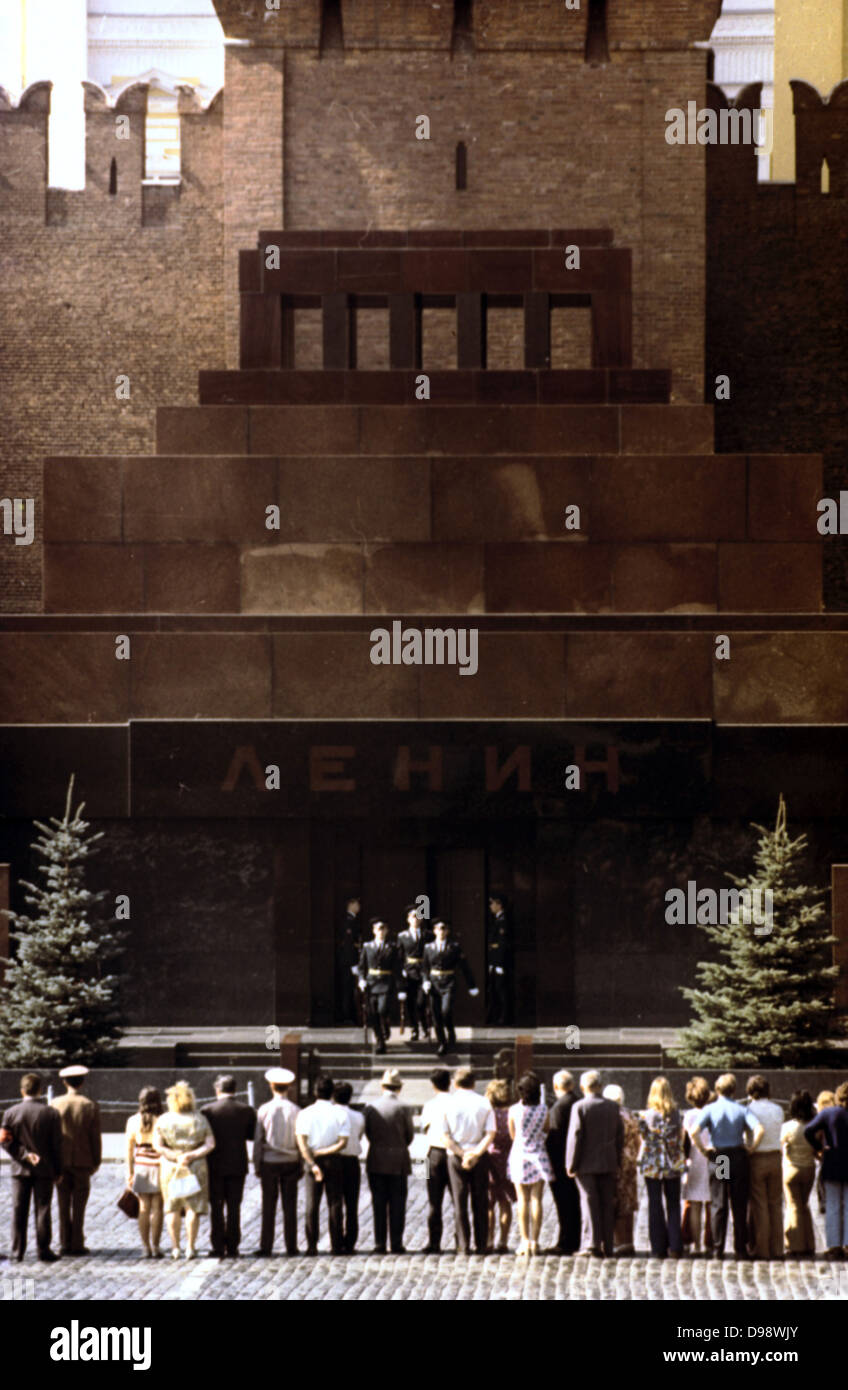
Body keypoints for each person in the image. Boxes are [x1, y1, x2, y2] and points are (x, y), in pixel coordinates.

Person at [692, 1073, 763, 1260]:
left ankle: (717, 1248)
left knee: (719, 1202)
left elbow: (694, 1131)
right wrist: (752, 1148)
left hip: (720, 1157)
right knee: (739, 1204)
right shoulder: (741, 1109)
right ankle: (740, 1248)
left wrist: (704, 1150)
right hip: (738, 1156)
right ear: (734, 1090)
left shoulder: (710, 1109)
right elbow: (759, 1129)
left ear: (717, 1090)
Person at [1, 1073, 63, 1262]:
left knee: (19, 1209)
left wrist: (24, 1155)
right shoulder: (51, 1113)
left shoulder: (11, 1113)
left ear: (22, 1091)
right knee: (43, 1209)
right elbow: (57, 1145)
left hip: (20, 1169)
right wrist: (58, 1170)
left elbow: (4, 1141)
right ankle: (43, 1249)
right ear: (40, 1091)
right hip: (44, 1169)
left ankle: (17, 1250)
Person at [152, 1081, 215, 1261]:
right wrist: (192, 1155)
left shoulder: (164, 1120)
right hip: (195, 1165)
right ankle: (191, 1247)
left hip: (171, 1166)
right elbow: (210, 1143)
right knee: (192, 1207)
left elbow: (157, 1145)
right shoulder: (199, 1118)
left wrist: (175, 1155)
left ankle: (175, 1247)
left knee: (172, 1207)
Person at [565, 1070, 623, 1257]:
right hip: (608, 1162)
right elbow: (619, 1137)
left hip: (586, 1164)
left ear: (583, 1087)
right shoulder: (613, 1107)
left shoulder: (580, 1107)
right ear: (600, 1086)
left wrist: (570, 1164)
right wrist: (617, 1159)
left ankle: (591, 1244)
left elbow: (575, 1136)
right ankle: (608, 1244)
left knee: (589, 1203)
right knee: (607, 1204)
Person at [201, 1074, 256, 1259]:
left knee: (216, 1207)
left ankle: (217, 1245)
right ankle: (233, 1245)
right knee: (234, 1207)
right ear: (235, 1089)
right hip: (237, 1165)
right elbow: (251, 1135)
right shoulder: (246, 1110)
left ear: (217, 1089)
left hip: (214, 1166)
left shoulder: (207, 1110)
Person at [441, 1066, 496, 1254]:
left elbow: (444, 1135)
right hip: (478, 1155)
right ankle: (481, 1244)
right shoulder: (484, 1103)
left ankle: (463, 1245)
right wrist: (475, 1153)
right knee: (480, 1200)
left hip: (457, 1155)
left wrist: (462, 1154)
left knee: (460, 1201)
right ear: (474, 1083)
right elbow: (490, 1133)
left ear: (455, 1084)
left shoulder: (448, 1104)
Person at [296, 1073, 349, 1255]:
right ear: (332, 1092)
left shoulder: (305, 1113)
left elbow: (301, 1142)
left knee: (312, 1204)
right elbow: (343, 1142)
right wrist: (325, 1151)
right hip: (334, 1159)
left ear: (314, 1091)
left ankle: (312, 1244)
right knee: (335, 1203)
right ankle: (336, 1243)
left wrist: (312, 1163)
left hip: (313, 1159)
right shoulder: (340, 1113)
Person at [51, 1064, 101, 1257]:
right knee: (79, 1205)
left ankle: (64, 1242)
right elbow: (94, 1137)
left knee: (63, 1203)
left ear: (64, 1082)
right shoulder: (89, 1105)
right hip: (83, 1160)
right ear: (82, 1083)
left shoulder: (55, 1104)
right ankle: (77, 1242)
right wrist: (96, 1160)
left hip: (61, 1162)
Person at [364, 1068, 414, 1254]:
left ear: (382, 1086)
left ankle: (379, 1242)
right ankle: (396, 1242)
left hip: (377, 1158)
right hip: (398, 1160)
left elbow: (368, 1133)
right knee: (398, 1203)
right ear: (399, 1087)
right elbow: (409, 1135)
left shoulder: (371, 1107)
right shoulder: (403, 1107)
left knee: (378, 1202)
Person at [636, 1076, 686, 1259]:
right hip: (673, 1164)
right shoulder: (676, 1113)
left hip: (653, 1165)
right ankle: (675, 1245)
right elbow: (680, 1137)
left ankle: (658, 1247)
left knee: (655, 1204)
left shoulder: (646, 1116)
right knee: (674, 1205)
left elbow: (642, 1138)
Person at [254, 1067, 301, 1256]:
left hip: (270, 1160)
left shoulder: (264, 1110)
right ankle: (292, 1245)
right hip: (291, 1159)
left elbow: (259, 1140)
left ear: (271, 1086)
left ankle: (266, 1245)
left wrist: (257, 1163)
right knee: (290, 1205)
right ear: (288, 1087)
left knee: (268, 1205)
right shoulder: (296, 1110)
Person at [508, 1072, 552, 1257]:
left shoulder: (515, 1110)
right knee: (536, 1199)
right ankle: (535, 1240)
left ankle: (524, 1239)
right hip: (539, 1154)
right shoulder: (543, 1109)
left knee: (522, 1200)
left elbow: (512, 1134)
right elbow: (546, 1129)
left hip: (520, 1155)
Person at [804, 1080, 848, 1259]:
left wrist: (819, 1148)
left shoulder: (829, 1113)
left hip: (832, 1162)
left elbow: (808, 1130)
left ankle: (833, 1245)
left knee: (832, 1205)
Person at [422, 919, 479, 1057]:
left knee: (445, 1011)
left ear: (447, 931)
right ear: (434, 931)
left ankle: (450, 1030)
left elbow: (464, 967)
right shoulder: (428, 948)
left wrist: (471, 985)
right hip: (434, 983)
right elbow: (425, 968)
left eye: (444, 929)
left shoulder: (454, 947)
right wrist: (425, 981)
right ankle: (442, 1042)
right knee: (436, 1015)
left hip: (448, 982)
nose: (441, 932)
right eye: (438, 929)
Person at [745, 1074, 785, 1261]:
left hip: (757, 1157)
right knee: (775, 1204)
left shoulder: (749, 1110)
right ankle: (778, 1248)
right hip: (776, 1157)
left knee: (759, 1205)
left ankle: (762, 1248)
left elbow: (748, 1134)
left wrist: (751, 1147)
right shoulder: (778, 1109)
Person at [125, 1086, 164, 1258]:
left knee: (143, 1207)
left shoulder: (133, 1121)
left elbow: (128, 1150)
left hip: (141, 1165)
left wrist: (129, 1172)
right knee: (157, 1208)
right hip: (160, 1165)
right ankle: (156, 1246)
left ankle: (145, 1246)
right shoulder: (163, 1120)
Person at [546, 1069, 581, 1255]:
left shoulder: (559, 1107)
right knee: (573, 1203)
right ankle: (572, 1239)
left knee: (564, 1204)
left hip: (561, 1163)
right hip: (575, 1161)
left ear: (555, 1086)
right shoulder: (576, 1101)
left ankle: (566, 1241)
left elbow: (555, 1137)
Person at [603, 1083, 639, 1255]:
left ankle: (618, 1241)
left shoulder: (610, 1116)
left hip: (616, 1162)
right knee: (628, 1202)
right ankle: (628, 1240)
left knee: (615, 1200)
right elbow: (638, 1140)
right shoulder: (630, 1114)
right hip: (630, 1163)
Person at [357, 917, 401, 1055]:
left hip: (386, 982)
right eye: (378, 929)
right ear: (374, 931)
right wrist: (361, 979)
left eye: (383, 929)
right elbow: (361, 966)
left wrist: (401, 988)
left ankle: (386, 1024)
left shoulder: (392, 947)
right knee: (372, 1014)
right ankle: (380, 1041)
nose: (381, 931)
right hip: (371, 983)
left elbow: (397, 967)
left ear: (387, 931)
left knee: (382, 1009)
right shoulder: (367, 946)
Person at [780, 1090, 816, 1257]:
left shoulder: (787, 1127)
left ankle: (795, 1245)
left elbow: (781, 1147)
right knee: (804, 1205)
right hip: (809, 1168)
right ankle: (809, 1243)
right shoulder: (814, 1126)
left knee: (793, 1206)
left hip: (791, 1168)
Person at [420, 1068, 452, 1253]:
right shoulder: (456, 1102)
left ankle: (434, 1242)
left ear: (433, 1085)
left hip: (432, 1153)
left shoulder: (429, 1104)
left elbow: (425, 1130)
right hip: (452, 1152)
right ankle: (461, 1240)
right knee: (457, 1199)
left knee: (433, 1200)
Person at [333, 1082, 365, 1254]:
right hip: (352, 1161)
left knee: (335, 1202)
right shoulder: (358, 1116)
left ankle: (337, 1241)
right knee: (352, 1204)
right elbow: (359, 1136)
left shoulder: (330, 1115)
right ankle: (350, 1241)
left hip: (336, 1160)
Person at [681, 1076, 711, 1255]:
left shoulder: (689, 1116)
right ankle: (711, 1244)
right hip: (719, 1159)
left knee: (694, 1202)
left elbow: (685, 1142)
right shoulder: (714, 1112)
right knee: (714, 1202)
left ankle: (696, 1245)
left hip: (694, 1160)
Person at [485, 1077, 515, 1253]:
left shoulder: (489, 1114)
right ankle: (503, 1241)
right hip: (507, 1160)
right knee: (505, 1202)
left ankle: (489, 1240)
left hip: (490, 1159)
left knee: (490, 1203)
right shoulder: (511, 1113)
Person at [397, 905, 430, 1042]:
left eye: (418, 916)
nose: (415, 919)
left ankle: (424, 1026)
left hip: (423, 971)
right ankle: (414, 1028)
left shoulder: (427, 935)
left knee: (421, 1002)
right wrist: (402, 970)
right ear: (408, 919)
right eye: (412, 917)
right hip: (409, 972)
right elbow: (399, 956)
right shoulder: (402, 936)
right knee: (411, 1002)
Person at [486, 894, 511, 1025]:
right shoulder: (496, 919)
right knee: (495, 990)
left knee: (501, 991)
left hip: (499, 963)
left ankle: (504, 1017)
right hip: (494, 962)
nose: (491, 906)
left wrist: (498, 964)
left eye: (493, 904)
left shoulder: (503, 921)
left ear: (499, 905)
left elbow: (501, 945)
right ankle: (496, 1016)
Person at [339, 896, 362, 1025]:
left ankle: (351, 1015)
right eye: (357, 904)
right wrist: (353, 963)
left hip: (351, 961)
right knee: (348, 989)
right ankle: (347, 1017)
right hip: (349, 962)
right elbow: (348, 944)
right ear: (351, 904)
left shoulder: (353, 920)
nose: (359, 906)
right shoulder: (348, 921)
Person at [813, 1090, 835, 1218]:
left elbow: (814, 1139)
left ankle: (824, 1204)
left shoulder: (820, 1122)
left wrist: (818, 1154)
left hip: (826, 1160)